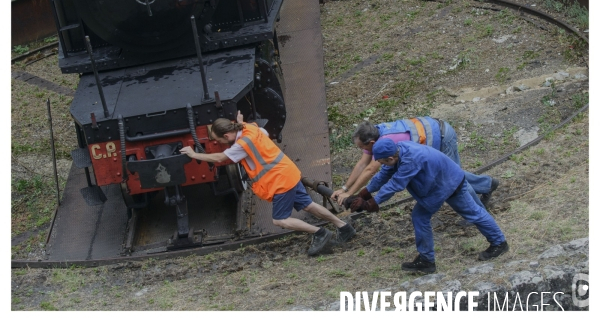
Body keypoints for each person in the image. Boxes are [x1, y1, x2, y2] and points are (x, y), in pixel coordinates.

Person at [180, 113, 356, 256]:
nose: (220, 144)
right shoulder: (250, 127)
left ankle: (320, 233)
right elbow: (261, 133)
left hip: (280, 180)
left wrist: (194, 155)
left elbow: (219, 158)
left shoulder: (241, 145)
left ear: (227, 135)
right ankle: (343, 227)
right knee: (308, 205)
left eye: (220, 141)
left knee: (280, 220)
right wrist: (241, 122)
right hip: (289, 172)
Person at [344, 137, 509, 273]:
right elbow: (384, 175)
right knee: (420, 217)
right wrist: (363, 194)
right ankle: (426, 260)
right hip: (438, 185)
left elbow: (395, 185)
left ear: (390, 158)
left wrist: (371, 203)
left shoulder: (411, 159)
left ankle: (499, 243)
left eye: (383, 162)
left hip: (449, 183)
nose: (383, 165)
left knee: (473, 213)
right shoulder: (397, 151)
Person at [332, 118, 499, 210]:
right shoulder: (373, 135)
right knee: (450, 174)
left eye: (362, 147)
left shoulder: (386, 142)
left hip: (441, 136)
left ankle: (478, 210)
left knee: (454, 178)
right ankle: (487, 184)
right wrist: (345, 189)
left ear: (372, 142)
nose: (362, 150)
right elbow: (363, 164)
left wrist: (354, 195)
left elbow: (370, 170)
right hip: (431, 137)